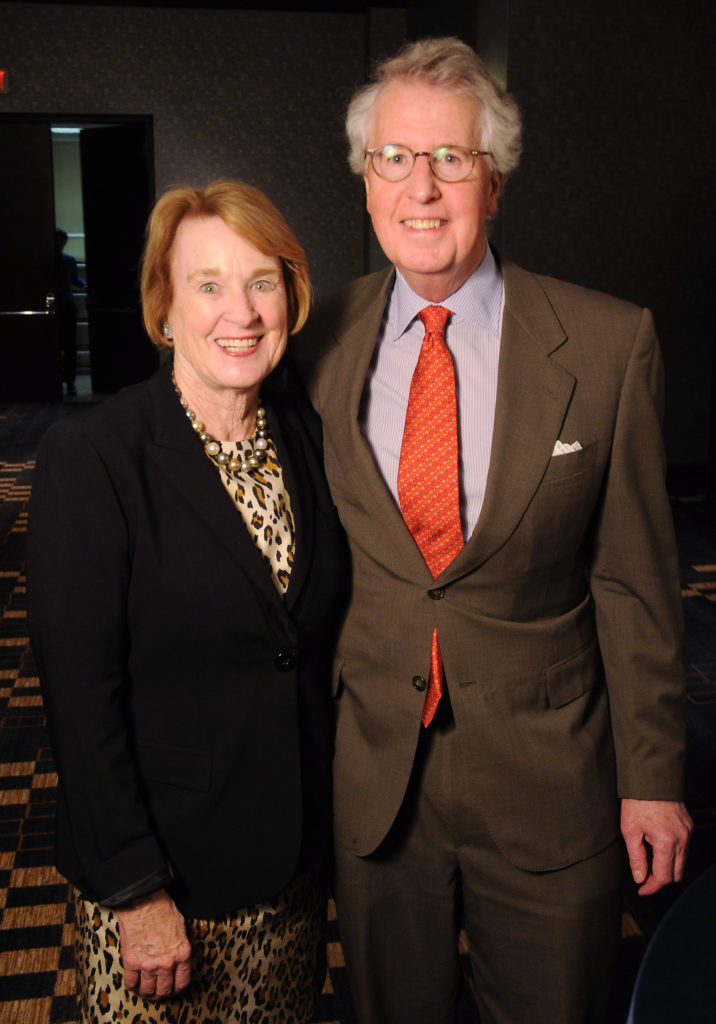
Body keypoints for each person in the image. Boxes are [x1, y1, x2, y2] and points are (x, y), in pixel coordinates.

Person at [292, 37, 692, 1024]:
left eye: (449, 159)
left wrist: (650, 777)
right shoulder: (313, 343)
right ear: (363, 178)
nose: (418, 187)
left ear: (495, 181)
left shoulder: (605, 343)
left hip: (548, 777)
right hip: (376, 785)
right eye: (393, 157)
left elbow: (632, 580)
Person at [28, 180, 348, 1023]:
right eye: (207, 284)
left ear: (292, 295)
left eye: (262, 282)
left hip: (289, 874)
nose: (238, 312)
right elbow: (77, 694)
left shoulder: (308, 435)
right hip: (167, 890)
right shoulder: (95, 457)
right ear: (165, 307)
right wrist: (136, 891)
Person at [54, 228, 86, 396]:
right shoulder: (51, 260)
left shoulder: (69, 260)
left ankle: (69, 382)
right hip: (58, 305)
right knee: (62, 345)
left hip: (66, 305)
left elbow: (75, 280)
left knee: (69, 345)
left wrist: (87, 285)